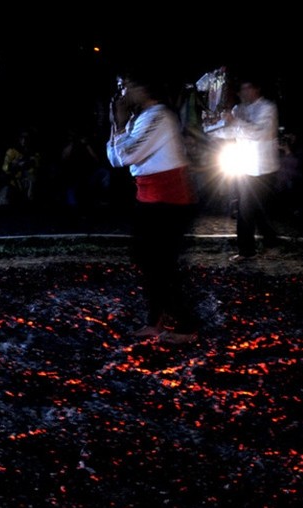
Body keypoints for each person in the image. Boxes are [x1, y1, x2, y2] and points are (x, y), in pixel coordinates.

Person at [106, 71, 200, 345]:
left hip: (170, 202)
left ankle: (186, 325)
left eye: (126, 86)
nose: (122, 93)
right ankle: (155, 320)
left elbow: (125, 155)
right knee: (147, 261)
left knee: (160, 265)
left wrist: (120, 124)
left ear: (142, 88)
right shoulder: (141, 118)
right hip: (150, 199)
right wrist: (119, 124)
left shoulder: (159, 117)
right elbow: (115, 158)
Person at [208, 75, 281, 260]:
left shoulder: (267, 108)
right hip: (245, 167)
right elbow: (231, 131)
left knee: (254, 209)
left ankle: (258, 247)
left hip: (264, 168)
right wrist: (211, 130)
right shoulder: (238, 109)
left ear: (256, 89)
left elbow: (258, 133)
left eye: (247, 88)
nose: (243, 93)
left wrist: (234, 121)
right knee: (248, 209)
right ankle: (256, 248)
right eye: (241, 89)